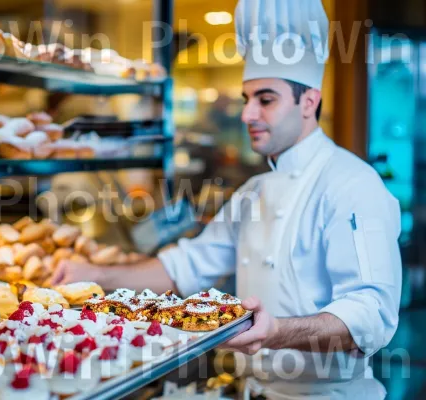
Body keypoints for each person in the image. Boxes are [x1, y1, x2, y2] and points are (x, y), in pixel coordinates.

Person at [50, 0, 402, 398]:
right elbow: (186, 266)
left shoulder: (353, 184)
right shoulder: (253, 193)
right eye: (246, 98)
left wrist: (279, 331)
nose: (248, 114)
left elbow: (370, 315)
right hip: (249, 389)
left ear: (309, 103)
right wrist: (93, 274)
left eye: (265, 100)